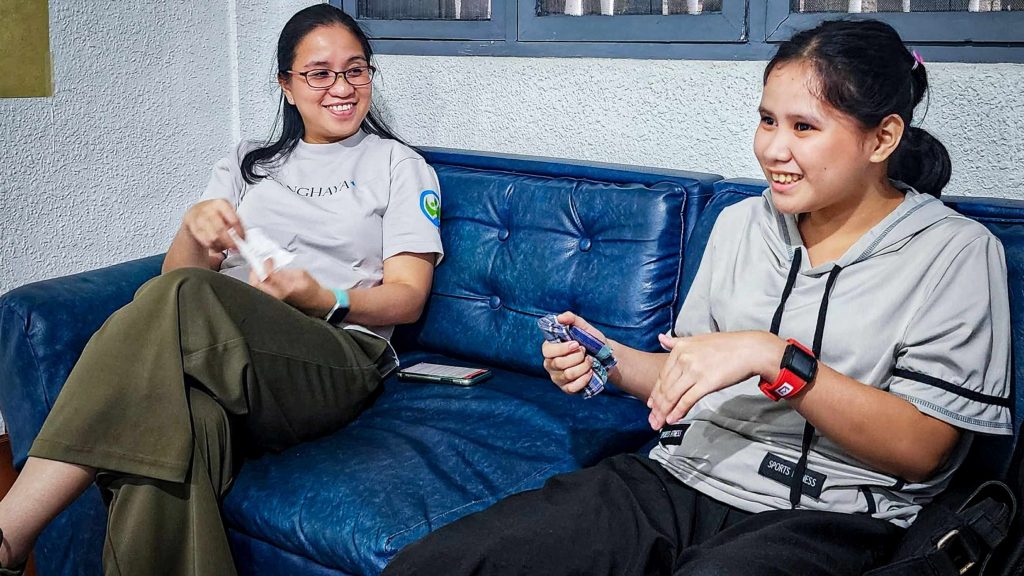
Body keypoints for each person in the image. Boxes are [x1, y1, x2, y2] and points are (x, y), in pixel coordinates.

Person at [382, 19, 1011, 576]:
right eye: (767, 120)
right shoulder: (741, 224)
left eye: (803, 127)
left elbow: (924, 447)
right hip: (684, 475)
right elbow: (692, 370)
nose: (773, 149)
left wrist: (775, 358)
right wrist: (608, 360)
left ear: (881, 139)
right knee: (446, 562)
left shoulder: (954, 252)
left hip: (836, 512)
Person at [0, 5, 443, 575]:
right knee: (177, 431)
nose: (342, 87)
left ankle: (10, 532)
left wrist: (321, 296)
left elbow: (408, 297)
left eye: (356, 70)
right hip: (227, 350)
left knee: (187, 299)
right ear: (286, 85)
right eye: (319, 73)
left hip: (336, 355)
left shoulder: (398, 165)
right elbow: (174, 283)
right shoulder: (247, 162)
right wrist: (192, 227)